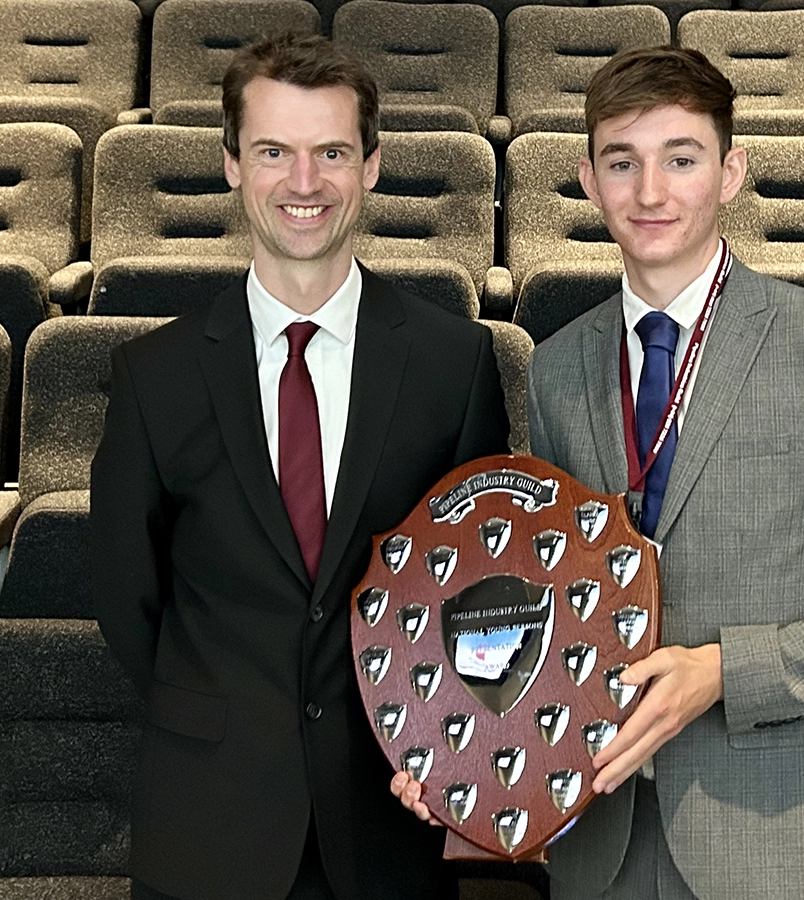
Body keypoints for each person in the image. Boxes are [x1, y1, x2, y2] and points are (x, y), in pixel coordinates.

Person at [394, 46, 804, 900]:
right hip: (600, 845)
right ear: (588, 181)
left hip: (778, 848)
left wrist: (726, 672)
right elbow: (548, 603)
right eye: (622, 163)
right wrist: (454, 744)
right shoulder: (555, 367)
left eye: (681, 159)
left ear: (731, 172)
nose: (650, 192)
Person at [92, 33, 509, 900]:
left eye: (332, 153)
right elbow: (131, 601)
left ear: (373, 167)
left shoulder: (454, 363)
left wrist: (441, 736)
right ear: (232, 166)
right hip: (209, 818)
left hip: (394, 811)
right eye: (273, 152)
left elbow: (480, 591)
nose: (305, 182)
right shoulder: (152, 376)